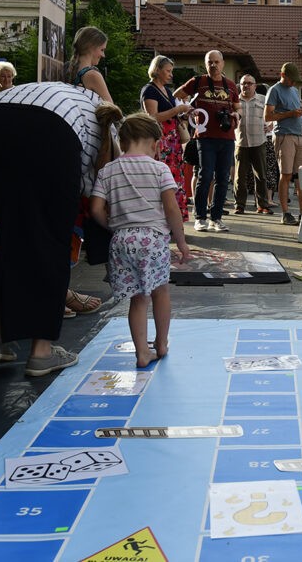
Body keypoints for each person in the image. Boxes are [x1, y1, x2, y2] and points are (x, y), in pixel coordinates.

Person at [0, 82, 118, 377]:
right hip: (49, 130)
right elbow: (96, 197)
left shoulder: (75, 98)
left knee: (11, 237)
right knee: (53, 242)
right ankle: (42, 351)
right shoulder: (105, 131)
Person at [90, 112, 191, 368]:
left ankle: (142, 353)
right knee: (160, 292)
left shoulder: (108, 170)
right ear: (155, 144)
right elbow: (171, 209)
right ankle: (161, 343)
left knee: (137, 298)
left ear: (122, 142)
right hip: (152, 240)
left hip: (121, 240)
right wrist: (181, 242)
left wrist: (113, 226)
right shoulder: (159, 169)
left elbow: (95, 209)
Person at [175, 50, 240, 232]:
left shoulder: (231, 85)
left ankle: (216, 218)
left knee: (223, 178)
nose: (213, 65)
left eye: (216, 62)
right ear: (205, 64)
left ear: (222, 63)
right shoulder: (198, 81)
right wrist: (188, 109)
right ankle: (200, 217)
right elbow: (177, 95)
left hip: (227, 137)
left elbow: (238, 107)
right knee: (205, 176)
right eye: (210, 62)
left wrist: (237, 115)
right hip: (205, 137)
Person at [140, 55, 191, 221]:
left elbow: (173, 114)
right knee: (161, 179)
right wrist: (177, 110)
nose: (171, 74)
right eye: (168, 71)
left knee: (173, 179)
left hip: (172, 143)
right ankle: (160, 218)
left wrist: (184, 113)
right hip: (159, 141)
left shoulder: (167, 91)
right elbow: (153, 116)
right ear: (157, 70)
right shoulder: (149, 90)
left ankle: (174, 218)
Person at [264, 62, 302, 226]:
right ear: (283, 75)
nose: (294, 82)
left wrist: (299, 112)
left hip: (299, 135)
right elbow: (268, 117)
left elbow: (295, 110)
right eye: (292, 79)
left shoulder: (294, 91)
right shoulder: (274, 90)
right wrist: (290, 114)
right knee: (286, 174)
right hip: (284, 135)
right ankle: (285, 213)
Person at [234, 74, 270, 215]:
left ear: (255, 86)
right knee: (239, 177)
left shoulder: (263, 99)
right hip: (240, 142)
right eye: (244, 83)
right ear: (240, 85)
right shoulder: (234, 100)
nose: (246, 86)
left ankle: (262, 205)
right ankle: (239, 205)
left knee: (261, 176)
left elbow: (273, 114)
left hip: (258, 142)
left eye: (249, 83)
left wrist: (271, 125)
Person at [65, 27, 115, 103]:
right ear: (91, 47)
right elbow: (110, 107)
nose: (103, 55)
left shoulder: (66, 68)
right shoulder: (93, 75)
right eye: (102, 50)